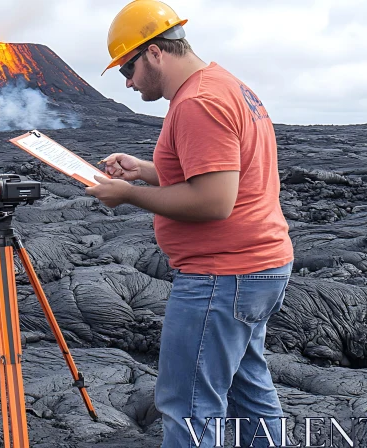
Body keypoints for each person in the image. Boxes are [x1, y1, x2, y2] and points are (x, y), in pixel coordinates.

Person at [85, 1, 295, 447]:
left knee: (189, 406)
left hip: (222, 276)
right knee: (249, 394)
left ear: (156, 52)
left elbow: (214, 201)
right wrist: (142, 170)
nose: (126, 81)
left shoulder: (198, 102)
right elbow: (214, 174)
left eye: (128, 67)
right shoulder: (223, 85)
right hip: (259, 267)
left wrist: (127, 195)